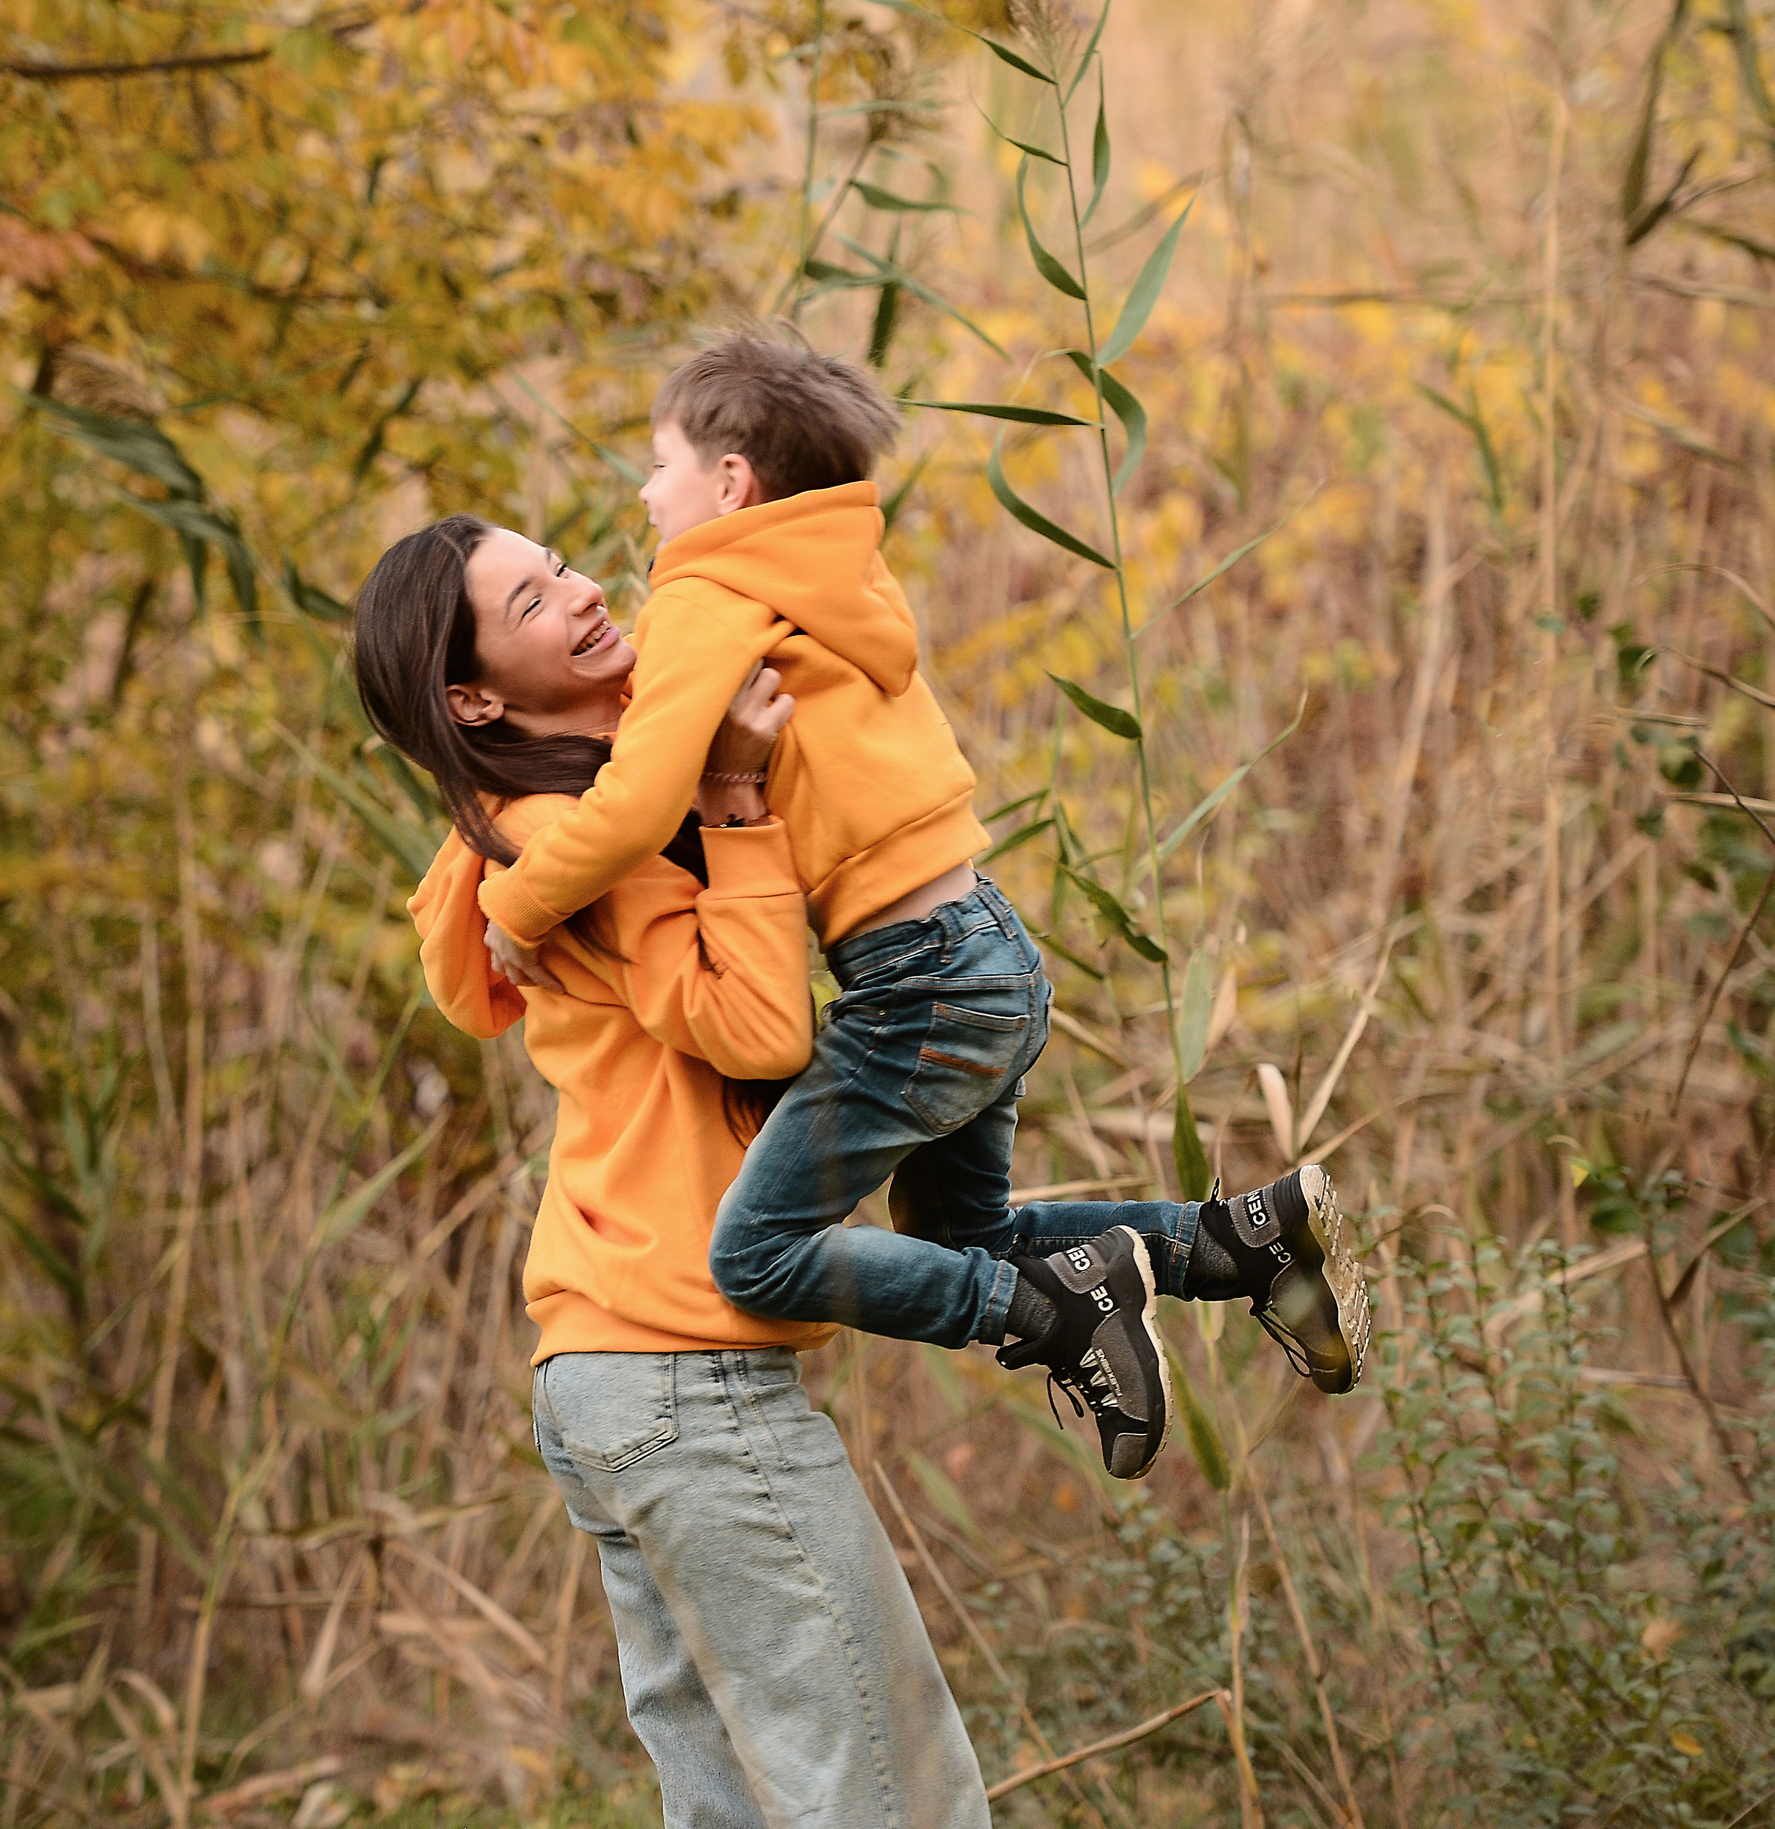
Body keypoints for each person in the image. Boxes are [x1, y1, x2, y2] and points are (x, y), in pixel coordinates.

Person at [472, 332, 1369, 1474]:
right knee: (962, 1238)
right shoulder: (832, 577)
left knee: (755, 1252)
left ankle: (1066, 1309)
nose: (647, 495)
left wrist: (522, 899)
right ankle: (1246, 1244)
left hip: (920, 977)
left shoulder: (706, 591)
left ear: (730, 481)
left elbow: (643, 794)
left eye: (659, 465)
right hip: (987, 944)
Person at [359, 521, 992, 1826]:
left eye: (565, 565)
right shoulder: (588, 835)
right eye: (533, 600)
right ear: (475, 697)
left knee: (736, 1806)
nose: (585, 592)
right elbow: (757, 1030)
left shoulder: (529, 830)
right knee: (892, 1797)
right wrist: (738, 811)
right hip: (682, 1374)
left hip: (603, 1370)